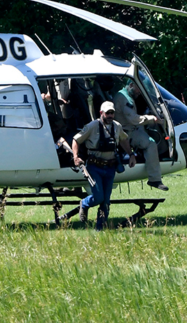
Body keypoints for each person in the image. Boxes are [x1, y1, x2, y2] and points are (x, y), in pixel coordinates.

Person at [72, 101, 136, 230]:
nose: (110, 116)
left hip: (110, 168)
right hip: (94, 167)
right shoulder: (92, 126)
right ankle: (84, 203)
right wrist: (75, 156)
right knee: (98, 197)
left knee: (106, 201)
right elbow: (76, 139)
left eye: (112, 113)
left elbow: (124, 139)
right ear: (101, 113)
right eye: (107, 113)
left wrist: (131, 154)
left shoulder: (117, 126)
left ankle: (100, 228)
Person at [113, 81, 168, 191]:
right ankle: (154, 179)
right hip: (127, 132)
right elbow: (133, 119)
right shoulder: (124, 98)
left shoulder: (124, 94)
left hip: (133, 127)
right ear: (131, 85)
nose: (139, 92)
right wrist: (151, 118)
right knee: (151, 143)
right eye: (139, 89)